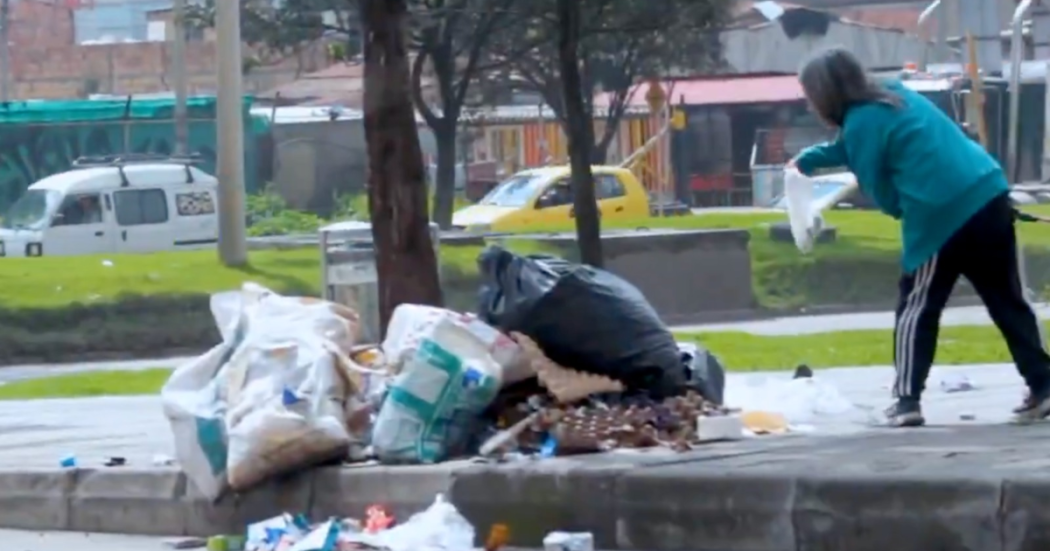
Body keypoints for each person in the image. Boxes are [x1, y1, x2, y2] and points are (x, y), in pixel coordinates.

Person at [789, 47, 1050, 427]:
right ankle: (1044, 386)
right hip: (988, 191)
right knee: (1007, 299)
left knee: (917, 308)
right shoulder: (897, 96)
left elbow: (878, 188)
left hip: (939, 213)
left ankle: (906, 400)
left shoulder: (861, 123)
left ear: (824, 94)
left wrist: (901, 210)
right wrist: (806, 161)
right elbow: (852, 146)